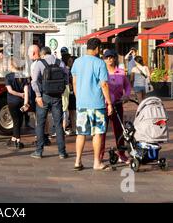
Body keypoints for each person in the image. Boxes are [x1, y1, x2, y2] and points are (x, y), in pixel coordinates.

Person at [71, 38, 113, 171]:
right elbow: (104, 84)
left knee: (81, 133)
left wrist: (79, 98)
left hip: (82, 104)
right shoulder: (100, 63)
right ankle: (96, 162)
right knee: (97, 133)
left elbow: (74, 82)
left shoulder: (77, 62)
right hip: (96, 103)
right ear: (97, 48)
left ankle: (77, 161)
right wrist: (109, 103)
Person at [30, 47, 69, 160]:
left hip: (44, 96)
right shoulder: (60, 62)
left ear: (42, 54)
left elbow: (34, 81)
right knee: (58, 124)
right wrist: (61, 88)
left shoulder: (39, 63)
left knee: (41, 123)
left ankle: (39, 151)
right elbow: (66, 77)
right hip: (57, 96)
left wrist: (37, 95)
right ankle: (62, 152)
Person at [100, 49, 132, 164]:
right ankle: (100, 155)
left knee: (119, 130)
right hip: (103, 105)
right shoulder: (101, 72)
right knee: (101, 131)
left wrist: (126, 95)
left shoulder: (121, 72)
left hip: (118, 105)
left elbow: (127, 86)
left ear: (114, 58)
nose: (109, 59)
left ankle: (122, 154)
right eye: (107, 57)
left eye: (111, 57)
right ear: (103, 59)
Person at [5, 58, 30, 149]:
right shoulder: (23, 76)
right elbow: (26, 91)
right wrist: (26, 103)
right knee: (19, 120)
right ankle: (14, 138)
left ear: (11, 66)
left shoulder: (8, 76)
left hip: (12, 102)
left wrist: (19, 94)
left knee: (16, 121)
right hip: (20, 103)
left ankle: (17, 140)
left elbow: (10, 91)